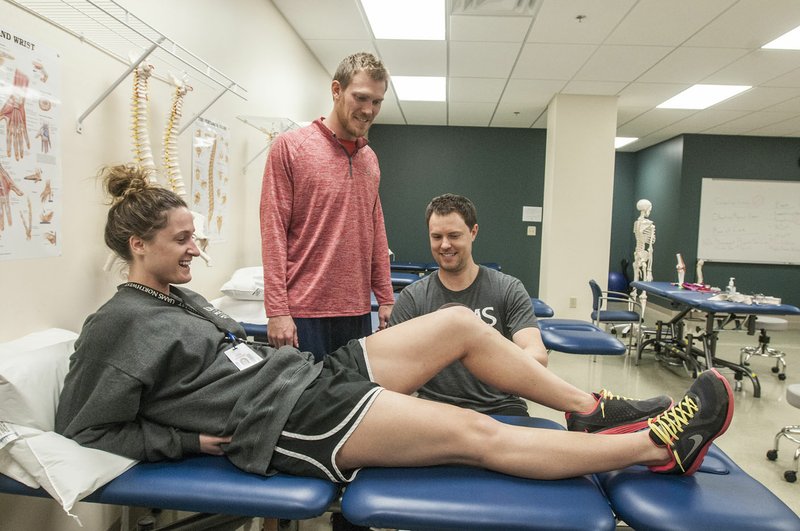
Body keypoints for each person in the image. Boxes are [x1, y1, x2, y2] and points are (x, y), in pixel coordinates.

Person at [56, 164, 735, 491]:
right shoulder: (117, 324)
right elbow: (84, 429)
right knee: (477, 434)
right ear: (138, 244)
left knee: (459, 323)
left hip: (304, 379)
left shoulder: (178, 300)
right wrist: (189, 438)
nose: (195, 251)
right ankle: (654, 447)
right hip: (286, 422)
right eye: (181, 240)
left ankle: (593, 410)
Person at [260, 52, 394, 362]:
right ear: (336, 90)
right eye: (360, 97)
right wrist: (277, 310)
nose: (368, 110)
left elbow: (376, 233)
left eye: (377, 101)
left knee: (352, 404)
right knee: (304, 406)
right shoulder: (291, 147)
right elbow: (273, 231)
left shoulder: (370, 159)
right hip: (303, 312)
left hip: (357, 311)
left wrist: (385, 298)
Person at [389, 194, 547, 416]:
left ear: (473, 232)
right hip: (436, 409)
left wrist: (489, 361)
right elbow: (392, 365)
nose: (445, 245)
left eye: (454, 235)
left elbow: (537, 355)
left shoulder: (508, 288)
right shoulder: (413, 297)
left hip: (499, 407)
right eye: (436, 237)